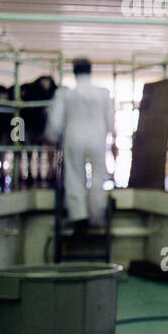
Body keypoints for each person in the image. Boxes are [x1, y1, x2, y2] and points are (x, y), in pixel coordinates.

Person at [45, 58, 116, 231]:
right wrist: (113, 139)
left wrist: (51, 139)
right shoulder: (103, 94)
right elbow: (111, 120)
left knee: (75, 176)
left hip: (74, 138)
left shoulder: (65, 94)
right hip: (98, 139)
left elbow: (55, 122)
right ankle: (96, 215)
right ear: (90, 71)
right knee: (98, 175)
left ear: (74, 72)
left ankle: (79, 216)